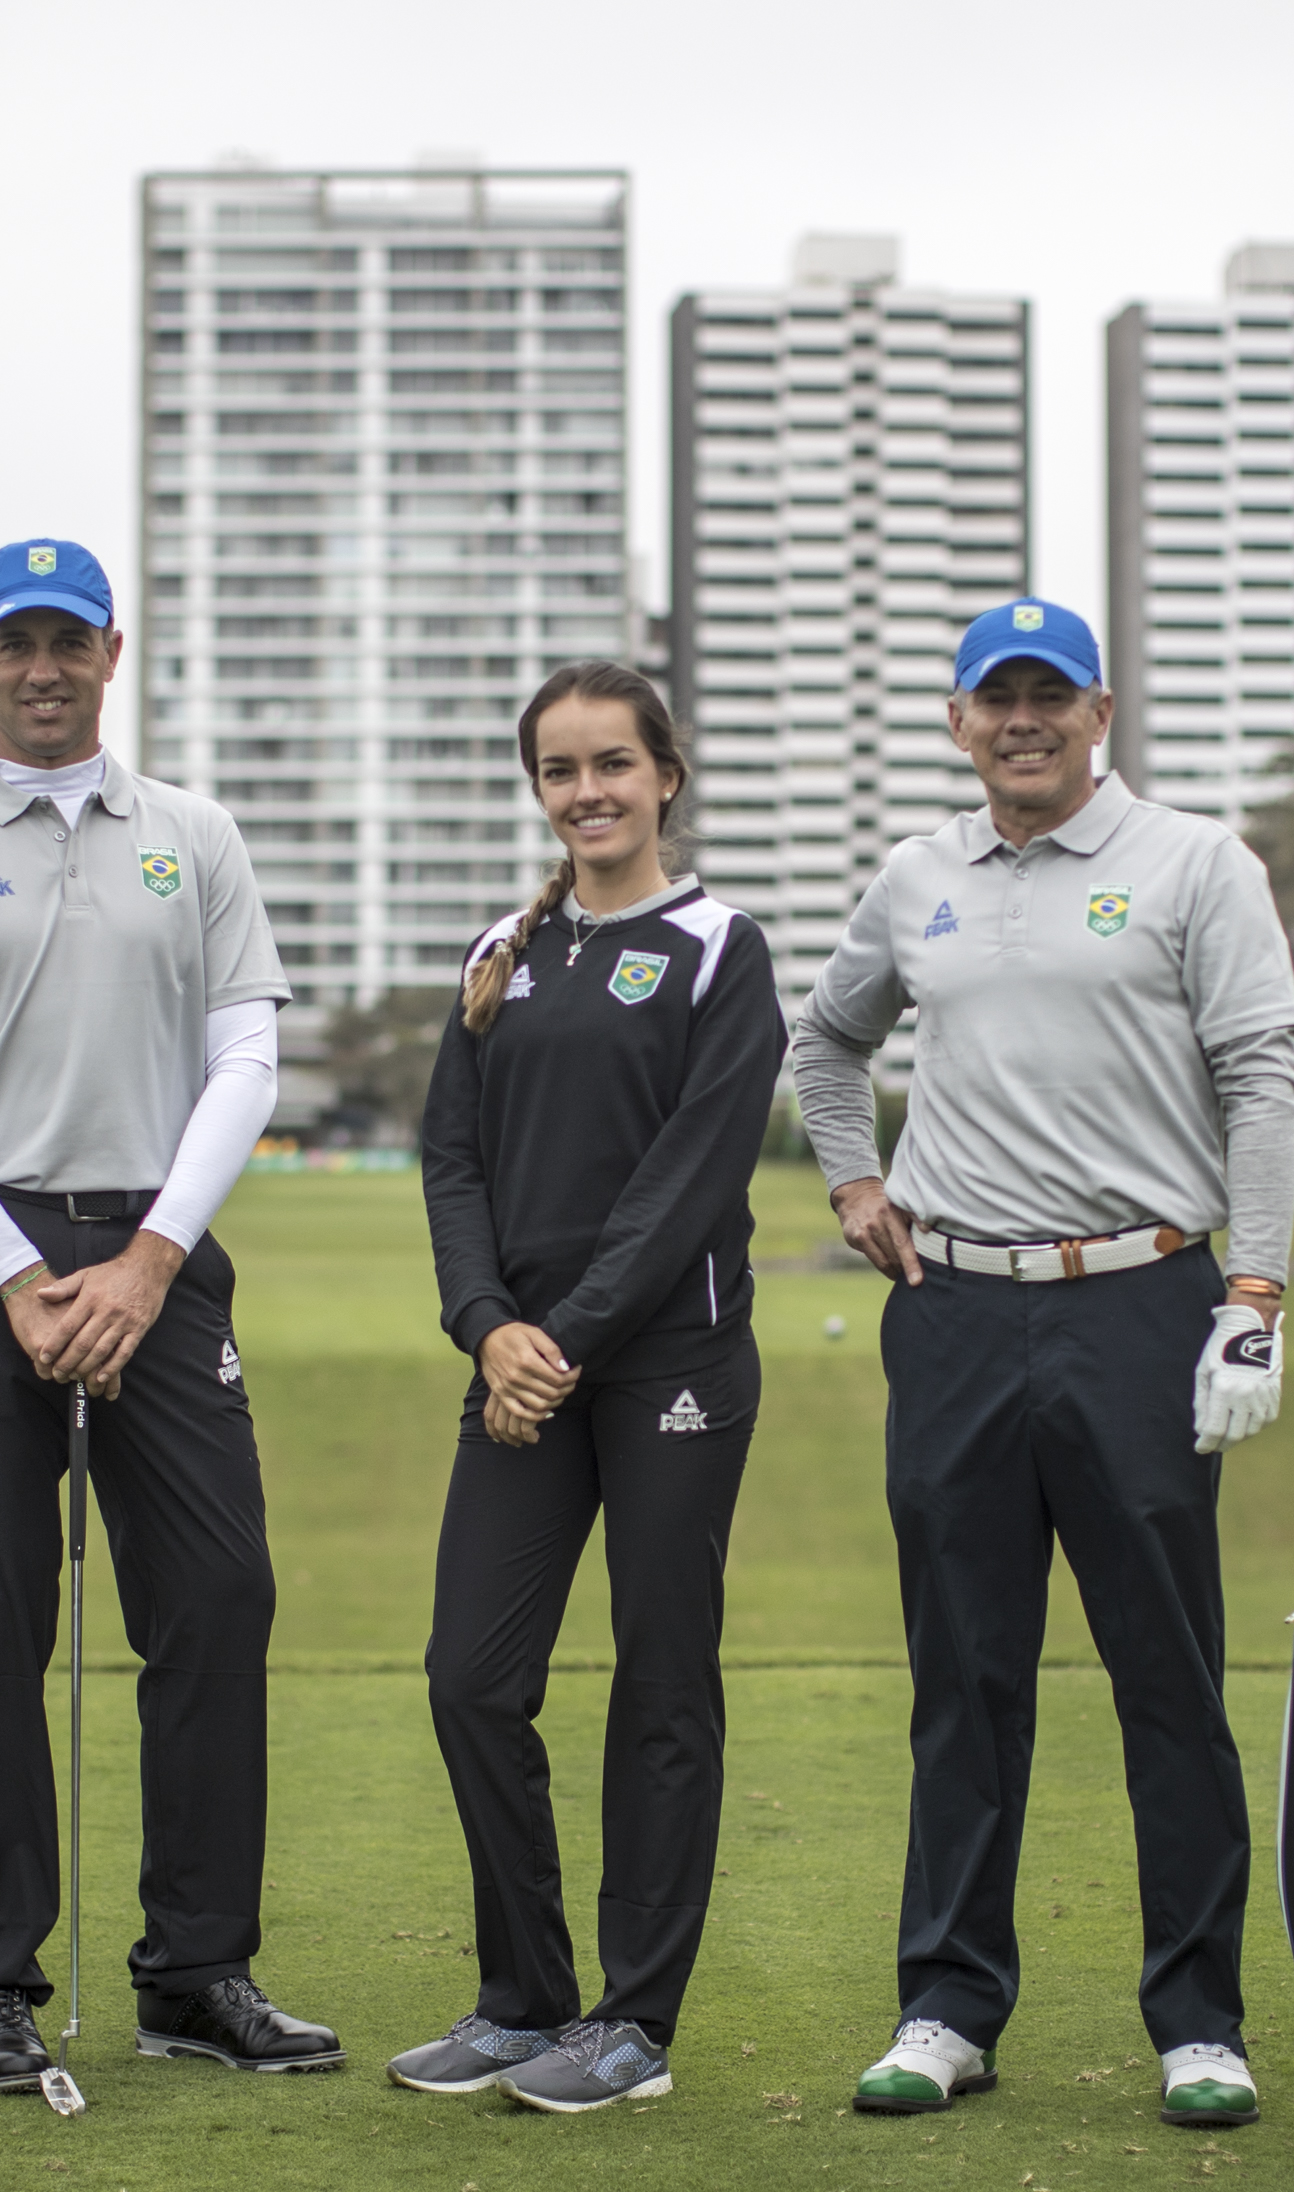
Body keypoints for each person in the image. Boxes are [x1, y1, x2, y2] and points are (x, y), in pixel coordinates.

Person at [0, 538, 338, 2091]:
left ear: (113, 652)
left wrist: (151, 1260)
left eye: (69, 640)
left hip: (159, 1256)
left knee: (219, 1601)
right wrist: (12, 1277)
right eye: (13, 643)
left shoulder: (194, 834)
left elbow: (245, 1057)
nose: (42, 667)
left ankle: (196, 1969)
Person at [789, 599, 1294, 2130]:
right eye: (995, 698)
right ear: (959, 721)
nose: (1023, 720)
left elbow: (1263, 1072)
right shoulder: (917, 878)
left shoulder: (1195, 863)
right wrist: (853, 1184)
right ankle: (948, 2004)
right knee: (965, 1680)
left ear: (1099, 710)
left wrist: (1255, 1290)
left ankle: (1199, 2019)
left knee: (1170, 1678)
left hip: (1139, 1302)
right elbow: (825, 1041)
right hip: (953, 1312)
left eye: (1050, 696)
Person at [386, 663, 785, 2114]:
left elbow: (691, 1178)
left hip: (668, 1368)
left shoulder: (718, 949)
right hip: (522, 1374)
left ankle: (632, 2025)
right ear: (539, 790)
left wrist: (558, 1343)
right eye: (560, 770)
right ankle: (523, 2000)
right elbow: (451, 1159)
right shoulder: (507, 948)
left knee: (661, 1688)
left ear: (665, 774)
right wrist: (487, 1326)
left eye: (613, 763)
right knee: (471, 1679)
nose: (589, 792)